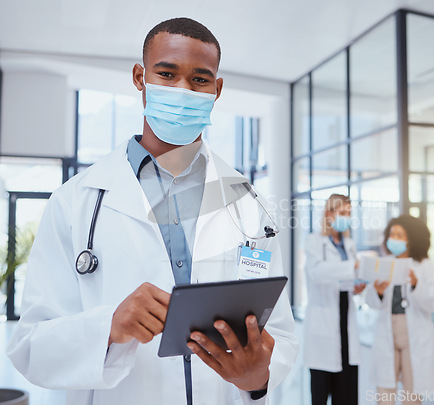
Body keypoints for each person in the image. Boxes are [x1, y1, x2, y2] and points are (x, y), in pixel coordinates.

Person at [7, 18, 298, 405]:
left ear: (218, 89)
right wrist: (107, 327)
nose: (183, 89)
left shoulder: (250, 205)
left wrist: (258, 376)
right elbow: (30, 347)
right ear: (139, 78)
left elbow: (280, 333)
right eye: (167, 73)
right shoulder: (75, 201)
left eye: (199, 79)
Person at [365, 214, 434, 405]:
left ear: (411, 238)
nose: (394, 239)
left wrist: (417, 286)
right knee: (384, 396)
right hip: (388, 331)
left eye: (400, 235)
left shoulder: (425, 266)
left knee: (412, 396)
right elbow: (371, 302)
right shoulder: (384, 263)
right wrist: (378, 292)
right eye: (392, 234)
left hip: (414, 335)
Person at [302, 194, 365, 405]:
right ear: (329, 214)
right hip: (324, 326)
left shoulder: (349, 244)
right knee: (320, 396)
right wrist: (352, 268)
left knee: (347, 396)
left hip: (346, 324)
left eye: (349, 213)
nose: (347, 217)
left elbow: (346, 279)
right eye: (343, 213)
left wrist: (357, 284)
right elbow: (318, 273)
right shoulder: (314, 242)